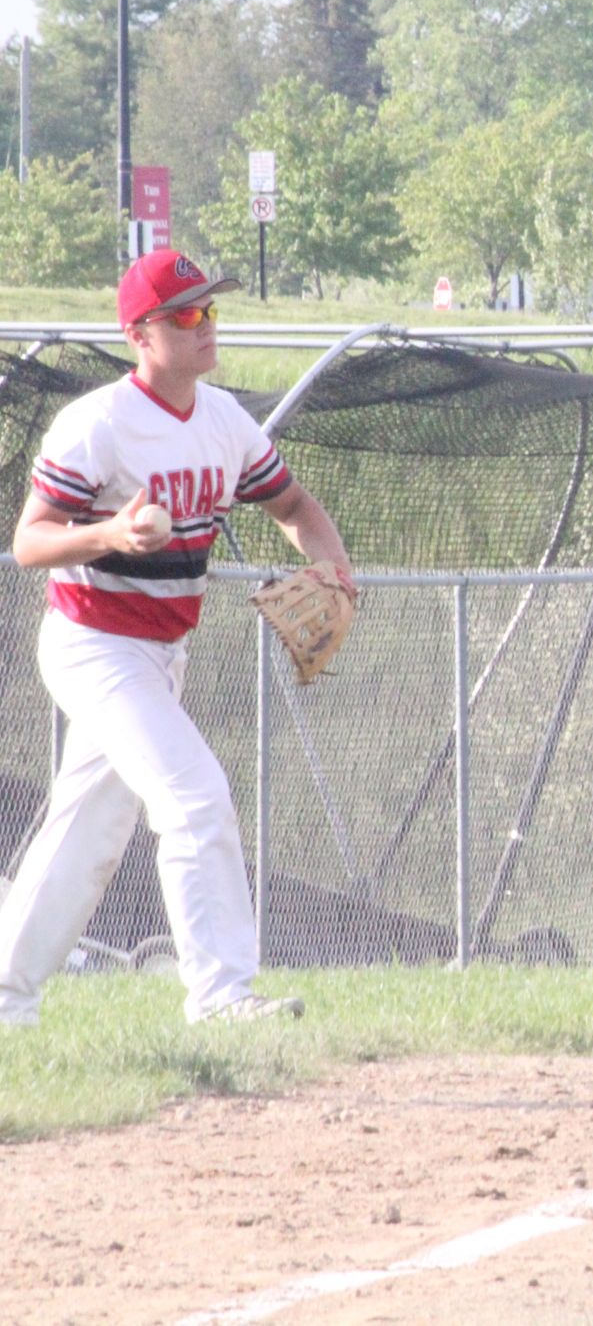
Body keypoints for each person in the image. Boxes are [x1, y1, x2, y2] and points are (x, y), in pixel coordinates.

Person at [0, 249, 355, 1025]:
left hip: (162, 652)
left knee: (91, 828)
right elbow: (30, 542)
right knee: (195, 795)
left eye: (211, 310)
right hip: (93, 643)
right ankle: (222, 994)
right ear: (141, 335)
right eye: (186, 314)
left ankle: (5, 997)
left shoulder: (225, 421)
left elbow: (294, 505)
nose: (206, 326)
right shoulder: (98, 423)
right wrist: (110, 533)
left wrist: (331, 565)